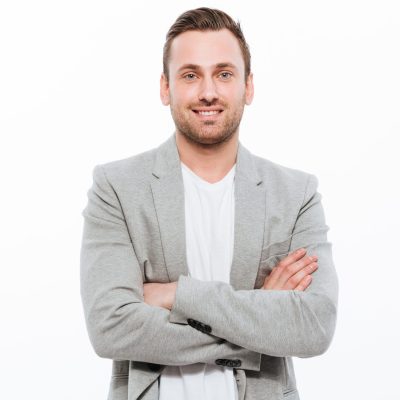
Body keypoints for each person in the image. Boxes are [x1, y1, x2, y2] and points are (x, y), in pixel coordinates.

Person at [80, 7, 338, 400]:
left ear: (248, 87)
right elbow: (110, 327)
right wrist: (260, 319)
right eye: (190, 75)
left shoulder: (296, 193)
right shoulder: (116, 188)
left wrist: (176, 294)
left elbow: (314, 326)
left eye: (224, 73)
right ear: (165, 87)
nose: (208, 92)